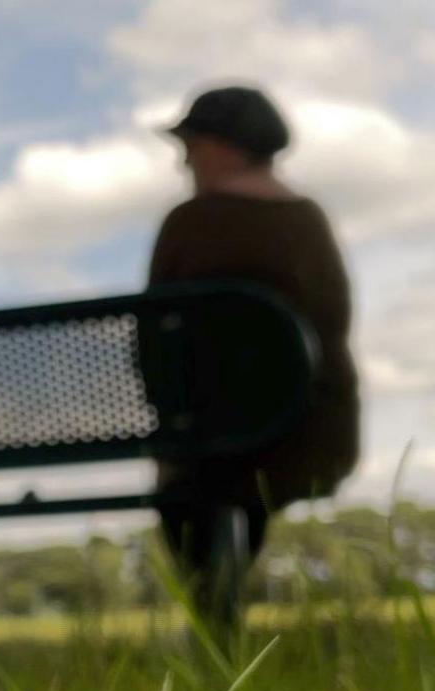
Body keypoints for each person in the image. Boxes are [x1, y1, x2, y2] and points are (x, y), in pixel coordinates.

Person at [147, 85, 360, 625]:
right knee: (235, 486)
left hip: (209, 446)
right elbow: (333, 324)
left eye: (191, 143)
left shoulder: (189, 222)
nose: (185, 157)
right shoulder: (309, 221)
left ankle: (213, 622)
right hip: (306, 438)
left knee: (198, 489)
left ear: (223, 146)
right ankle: (221, 616)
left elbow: (152, 348)